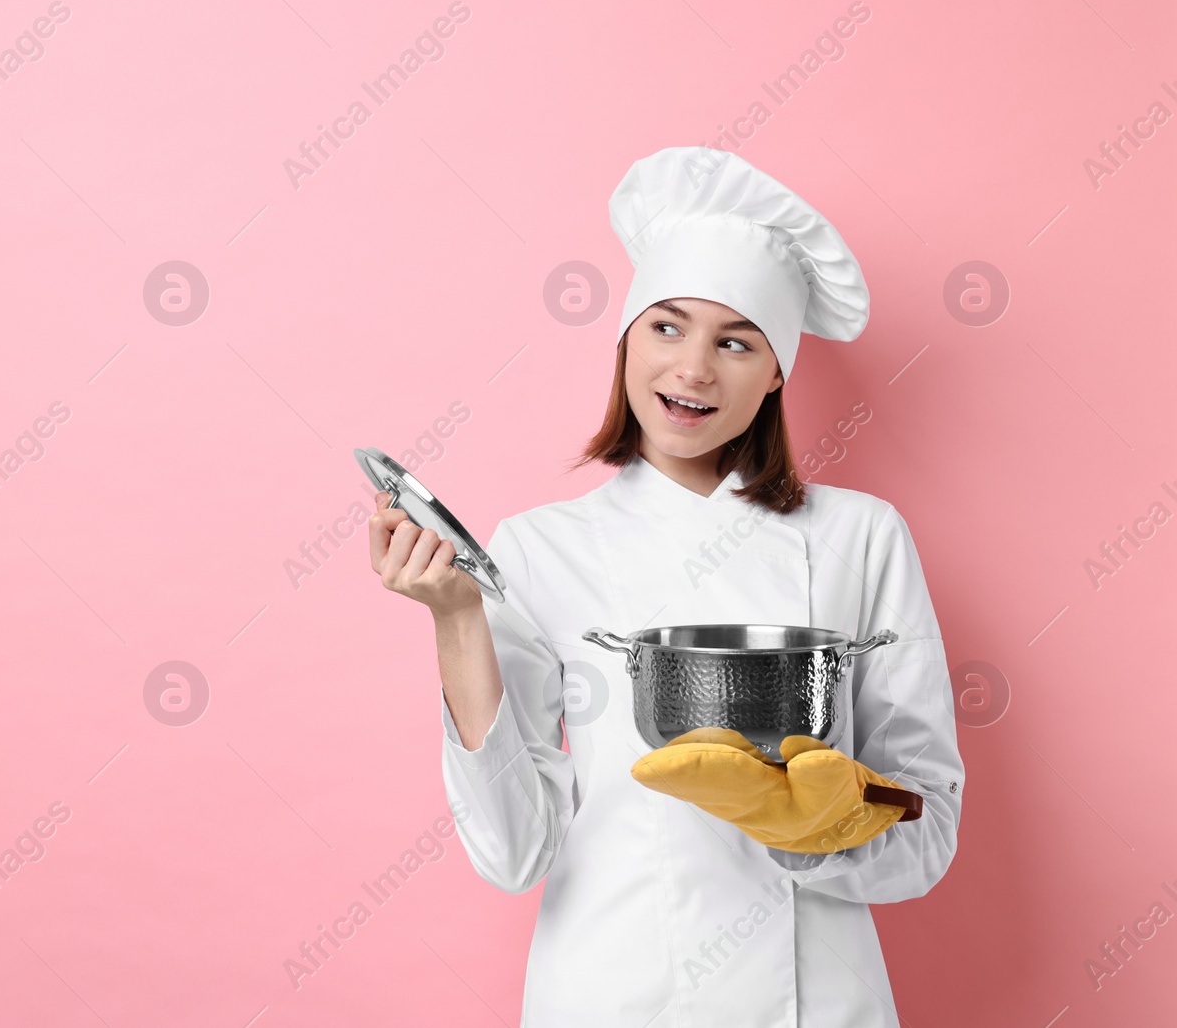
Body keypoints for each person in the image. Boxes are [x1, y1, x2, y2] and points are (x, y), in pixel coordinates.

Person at [369, 147, 964, 1026]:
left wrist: (808, 828)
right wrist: (457, 620)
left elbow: (929, 831)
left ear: (776, 372)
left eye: (735, 342)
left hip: (816, 999)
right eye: (667, 326)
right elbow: (512, 851)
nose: (691, 370)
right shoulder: (539, 549)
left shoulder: (861, 537)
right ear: (625, 339)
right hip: (609, 992)